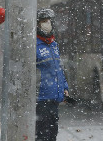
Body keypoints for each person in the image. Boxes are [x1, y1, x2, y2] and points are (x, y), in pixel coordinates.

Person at [36, 8, 69, 141]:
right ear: (37, 24)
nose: (47, 24)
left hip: (54, 99)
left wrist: (64, 87)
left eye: (49, 21)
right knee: (42, 135)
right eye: (43, 21)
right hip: (41, 99)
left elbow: (58, 69)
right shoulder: (34, 45)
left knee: (52, 134)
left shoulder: (53, 44)